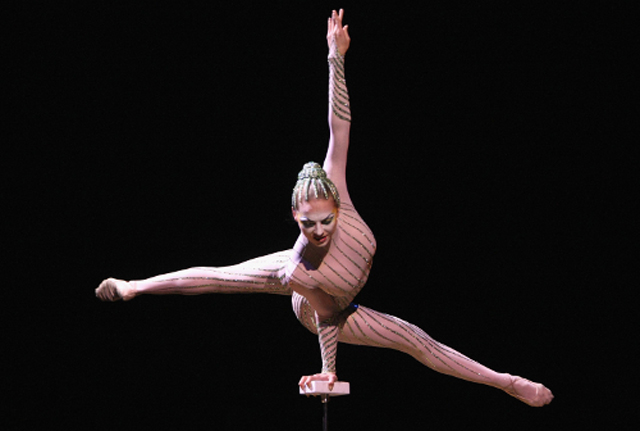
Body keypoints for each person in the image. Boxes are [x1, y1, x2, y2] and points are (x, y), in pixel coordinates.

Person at [96, 9, 553, 407]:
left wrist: (336, 57)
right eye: (307, 224)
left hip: (336, 288)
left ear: (337, 202)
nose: (318, 231)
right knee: (231, 279)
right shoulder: (298, 267)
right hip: (322, 304)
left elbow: (339, 127)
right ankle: (134, 287)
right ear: (296, 219)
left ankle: (506, 381)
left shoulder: (337, 190)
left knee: (420, 341)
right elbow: (326, 314)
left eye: (326, 221)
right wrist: (328, 370)